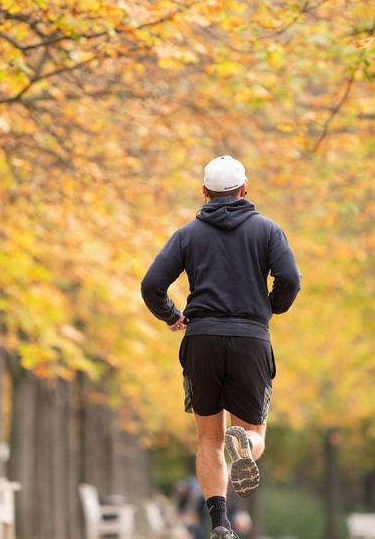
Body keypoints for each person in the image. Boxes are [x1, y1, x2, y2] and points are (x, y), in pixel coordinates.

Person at [141, 155, 302, 539]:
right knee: (250, 432)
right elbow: (290, 280)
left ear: (204, 192)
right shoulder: (268, 231)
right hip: (250, 339)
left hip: (203, 339)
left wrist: (172, 315)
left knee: (209, 439)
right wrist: (271, 306)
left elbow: (151, 285)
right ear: (245, 190)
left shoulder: (188, 234)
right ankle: (245, 443)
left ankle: (220, 526)